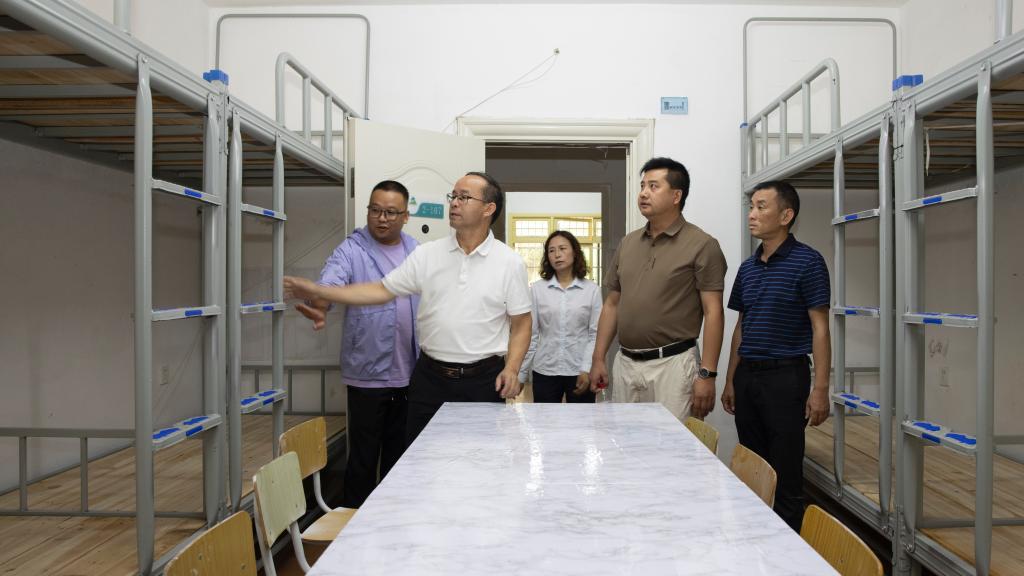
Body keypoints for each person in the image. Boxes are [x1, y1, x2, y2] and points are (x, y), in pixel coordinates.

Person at [285, 172, 531, 446]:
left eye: (464, 197)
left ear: (488, 208)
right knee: (420, 458)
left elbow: (522, 323)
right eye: (453, 196)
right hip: (429, 378)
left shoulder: (509, 263)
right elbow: (380, 290)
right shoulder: (427, 254)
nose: (454, 203)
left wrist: (512, 369)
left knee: (481, 456)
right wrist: (320, 291)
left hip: (483, 381)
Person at [294, 180, 418, 509]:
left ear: (405, 216)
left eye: (391, 212)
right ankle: (352, 523)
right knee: (363, 459)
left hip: (410, 375)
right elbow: (330, 281)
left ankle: (393, 518)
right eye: (375, 210)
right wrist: (319, 304)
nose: (381, 218)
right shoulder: (352, 249)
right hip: (368, 376)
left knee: (400, 459)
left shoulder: (415, 250)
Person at [721, 180, 831, 531]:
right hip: (747, 376)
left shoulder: (808, 262)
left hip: (786, 378)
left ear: (786, 215)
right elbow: (741, 326)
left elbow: (820, 329)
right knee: (753, 468)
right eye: (751, 207)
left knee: (785, 473)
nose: (752, 215)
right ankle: (754, 538)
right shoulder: (748, 268)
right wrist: (730, 379)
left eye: (761, 207)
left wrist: (820, 389)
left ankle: (789, 548)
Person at [590, 157, 726, 422]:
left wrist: (707, 374)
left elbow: (713, 312)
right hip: (626, 363)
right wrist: (598, 359)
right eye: (642, 186)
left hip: (673, 365)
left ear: (676, 196)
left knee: (673, 443)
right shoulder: (628, 244)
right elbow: (611, 305)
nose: (643, 193)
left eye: (653, 186)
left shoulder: (702, 245)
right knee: (625, 440)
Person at [518, 230, 602, 403]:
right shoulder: (537, 290)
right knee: (544, 420)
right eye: (551, 250)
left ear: (575, 252)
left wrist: (587, 369)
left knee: (582, 420)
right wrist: (521, 374)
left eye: (562, 248)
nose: (557, 254)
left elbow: (595, 335)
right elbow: (531, 335)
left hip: (579, 370)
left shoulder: (592, 290)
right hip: (545, 371)